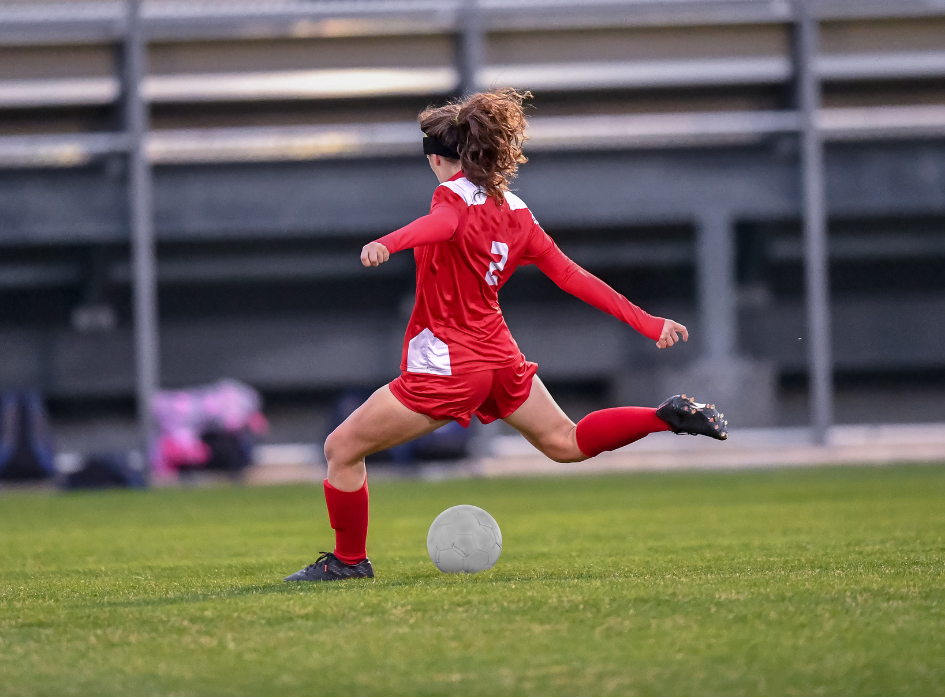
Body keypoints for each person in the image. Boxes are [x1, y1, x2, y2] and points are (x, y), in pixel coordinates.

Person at [285, 89, 728, 583]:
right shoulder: (517, 211)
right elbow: (573, 276)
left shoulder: (448, 196)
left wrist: (386, 243)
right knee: (565, 442)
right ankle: (662, 418)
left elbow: (441, 224)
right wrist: (649, 323)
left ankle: (349, 561)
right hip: (501, 359)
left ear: (437, 159)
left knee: (341, 448)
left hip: (451, 365)